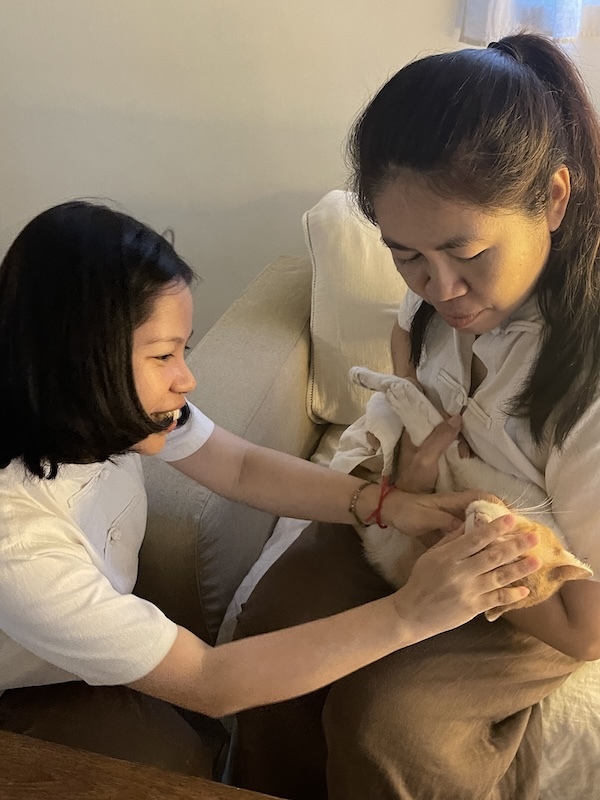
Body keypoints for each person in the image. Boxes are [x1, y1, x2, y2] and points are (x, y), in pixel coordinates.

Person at [0, 201, 537, 778]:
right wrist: (413, 611)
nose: (187, 378)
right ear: (81, 362)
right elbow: (209, 680)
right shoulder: (20, 545)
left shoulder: (104, 413)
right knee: (173, 761)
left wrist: (384, 504)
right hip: (26, 687)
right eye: (163, 356)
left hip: (72, 641)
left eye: (183, 350)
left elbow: (240, 468)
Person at [231, 32, 600, 800]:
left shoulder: (584, 378)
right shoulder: (431, 304)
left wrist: (446, 558)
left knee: (387, 725)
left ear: (554, 200)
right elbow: (412, 399)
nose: (441, 288)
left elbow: (584, 625)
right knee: (273, 622)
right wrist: (405, 487)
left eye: (467, 253)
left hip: (531, 587)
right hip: (413, 510)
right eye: (407, 257)